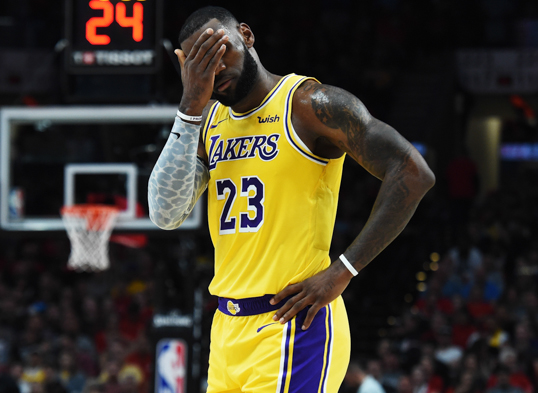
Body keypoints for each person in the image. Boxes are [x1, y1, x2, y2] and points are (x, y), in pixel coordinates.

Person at [148, 6, 434, 393]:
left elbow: (413, 171)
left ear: (246, 36)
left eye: (220, 51)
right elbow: (165, 214)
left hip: (293, 325)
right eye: (200, 64)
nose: (214, 69)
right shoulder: (208, 122)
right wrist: (189, 110)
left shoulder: (309, 105)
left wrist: (343, 269)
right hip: (227, 329)